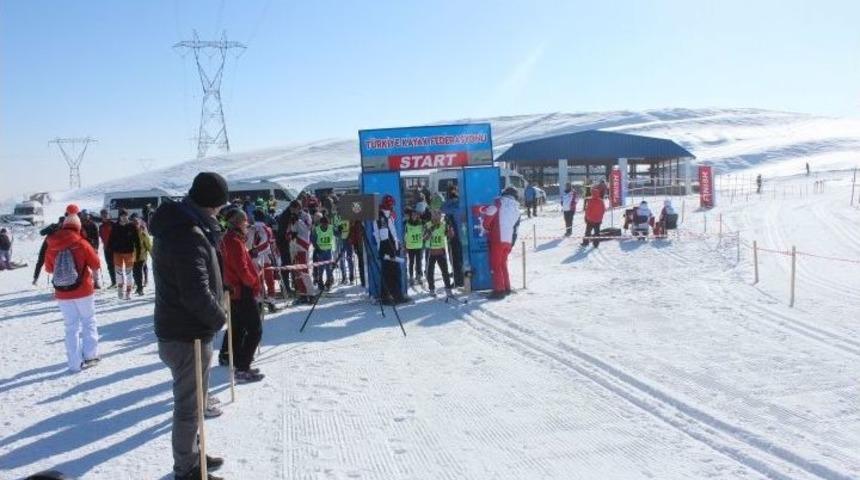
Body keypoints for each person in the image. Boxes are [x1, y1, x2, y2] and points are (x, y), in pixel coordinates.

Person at [150, 172, 229, 480]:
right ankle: (187, 469)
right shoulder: (187, 234)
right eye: (220, 204)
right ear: (212, 203)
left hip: (182, 330)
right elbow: (195, 291)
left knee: (194, 403)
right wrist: (219, 317)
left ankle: (193, 455)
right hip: (187, 335)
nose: (222, 211)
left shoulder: (182, 226)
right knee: (189, 407)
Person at [44, 205, 101, 372]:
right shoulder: (81, 243)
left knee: (70, 327)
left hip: (62, 292)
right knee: (88, 321)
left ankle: (74, 364)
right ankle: (90, 356)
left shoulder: (52, 243)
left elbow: (48, 268)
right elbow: (96, 264)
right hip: (83, 290)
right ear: (78, 227)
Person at [218, 208, 265, 383]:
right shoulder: (234, 241)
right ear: (239, 223)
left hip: (235, 290)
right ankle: (243, 367)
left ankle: (238, 362)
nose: (247, 225)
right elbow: (242, 269)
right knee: (255, 329)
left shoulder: (231, 238)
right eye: (245, 222)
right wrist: (254, 282)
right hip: (241, 290)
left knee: (238, 328)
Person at [479, 188, 520, 299]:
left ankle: (499, 290)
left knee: (496, 265)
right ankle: (506, 288)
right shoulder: (516, 208)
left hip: (497, 237)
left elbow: (491, 211)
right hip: (508, 239)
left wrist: (485, 226)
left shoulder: (500, 202)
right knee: (503, 264)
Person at [373, 194, 409, 304]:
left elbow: (392, 234)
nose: (393, 207)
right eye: (392, 205)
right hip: (387, 251)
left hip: (392, 250)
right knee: (389, 275)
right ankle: (388, 298)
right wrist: (391, 251)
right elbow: (384, 237)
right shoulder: (382, 217)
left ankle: (395, 296)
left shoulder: (387, 216)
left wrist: (398, 245)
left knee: (393, 274)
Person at [287, 200, 316, 304]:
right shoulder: (292, 217)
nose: (292, 211)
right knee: (296, 271)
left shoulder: (305, 215)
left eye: (293, 209)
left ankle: (311, 293)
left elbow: (308, 228)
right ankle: (302, 294)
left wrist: (298, 221)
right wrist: (290, 234)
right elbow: (289, 230)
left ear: (297, 208)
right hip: (294, 245)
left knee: (304, 271)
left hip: (303, 245)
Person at [108, 209, 141, 300]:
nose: (124, 217)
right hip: (117, 253)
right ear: (119, 216)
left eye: (125, 215)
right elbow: (110, 240)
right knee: (118, 273)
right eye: (122, 216)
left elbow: (137, 241)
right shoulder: (115, 226)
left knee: (129, 273)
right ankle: (120, 290)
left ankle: (128, 292)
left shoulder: (132, 226)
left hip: (129, 253)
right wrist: (110, 251)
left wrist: (138, 253)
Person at [248, 209, 277, 300]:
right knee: (269, 278)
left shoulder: (250, 228)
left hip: (255, 256)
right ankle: (271, 299)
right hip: (266, 256)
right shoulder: (268, 229)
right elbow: (271, 244)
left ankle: (260, 298)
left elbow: (248, 243)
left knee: (258, 278)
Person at [425, 210, 454, 296]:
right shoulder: (428, 225)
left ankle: (448, 289)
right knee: (430, 271)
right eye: (435, 215)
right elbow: (424, 238)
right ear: (432, 216)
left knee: (445, 271)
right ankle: (432, 289)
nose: (437, 217)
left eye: (439, 215)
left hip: (441, 251)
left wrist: (450, 228)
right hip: (431, 251)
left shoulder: (443, 225)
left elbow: (451, 235)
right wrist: (430, 231)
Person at [440, 188, 464, 287]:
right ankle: (462, 278)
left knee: (454, 259)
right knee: (462, 259)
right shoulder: (461, 204)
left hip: (454, 236)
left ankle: (458, 280)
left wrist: (448, 201)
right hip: (463, 235)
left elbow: (442, 208)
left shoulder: (452, 207)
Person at [33, 218, 63, 285]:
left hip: (56, 247)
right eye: (60, 223)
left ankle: (55, 279)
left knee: (57, 263)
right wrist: (51, 229)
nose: (61, 225)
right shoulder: (53, 226)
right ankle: (35, 278)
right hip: (47, 244)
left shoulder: (65, 229)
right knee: (40, 261)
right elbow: (42, 232)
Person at [311, 213, 335, 291]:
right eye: (324, 224)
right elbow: (313, 240)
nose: (325, 226)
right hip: (320, 251)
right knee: (320, 268)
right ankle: (320, 283)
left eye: (326, 224)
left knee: (328, 268)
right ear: (321, 223)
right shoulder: (316, 229)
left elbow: (337, 233)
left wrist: (340, 230)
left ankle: (329, 283)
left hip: (328, 251)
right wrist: (317, 248)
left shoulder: (331, 228)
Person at [132, 215, 152, 295]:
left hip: (142, 255)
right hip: (133, 255)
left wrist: (151, 253)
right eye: (134, 223)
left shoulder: (143, 231)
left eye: (137, 222)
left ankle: (140, 288)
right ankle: (138, 286)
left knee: (139, 271)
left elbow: (148, 243)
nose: (136, 224)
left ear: (140, 223)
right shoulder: (130, 231)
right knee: (134, 272)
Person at [404, 208, 424, 286]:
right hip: (411, 246)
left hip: (419, 246)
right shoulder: (407, 224)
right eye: (413, 215)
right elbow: (405, 235)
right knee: (411, 262)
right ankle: (411, 277)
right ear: (410, 216)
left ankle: (419, 276)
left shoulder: (420, 223)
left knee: (419, 262)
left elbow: (423, 233)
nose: (414, 216)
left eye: (415, 215)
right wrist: (405, 245)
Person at [98, 209, 117, 288]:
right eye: (103, 215)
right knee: (110, 265)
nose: (104, 216)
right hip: (106, 248)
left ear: (108, 215)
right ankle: (114, 282)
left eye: (106, 214)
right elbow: (101, 237)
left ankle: (120, 281)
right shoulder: (101, 226)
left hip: (115, 247)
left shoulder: (113, 224)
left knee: (117, 265)